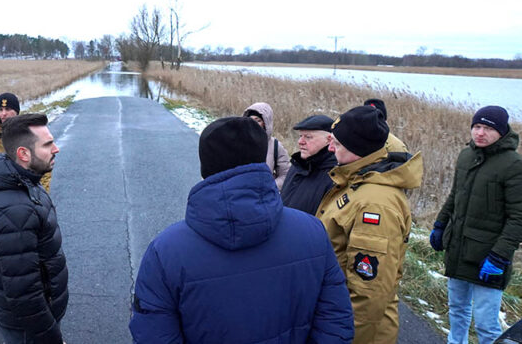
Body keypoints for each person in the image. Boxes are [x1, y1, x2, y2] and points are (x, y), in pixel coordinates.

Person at [129, 117, 354, 343]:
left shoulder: (165, 251)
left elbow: (154, 333)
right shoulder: (313, 232)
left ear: (205, 167)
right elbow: (335, 319)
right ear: (261, 161)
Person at [316, 105, 424, 344]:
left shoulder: (375, 205)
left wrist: (343, 337)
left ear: (357, 150)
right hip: (336, 313)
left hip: (356, 330)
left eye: (337, 143)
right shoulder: (356, 182)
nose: (330, 148)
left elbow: (369, 293)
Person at [429, 106, 522, 344]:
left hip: (489, 257)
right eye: (477, 126)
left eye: (488, 128)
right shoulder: (466, 156)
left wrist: (499, 256)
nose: (480, 133)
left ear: (502, 132)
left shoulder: (516, 166)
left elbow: (521, 218)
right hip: (458, 249)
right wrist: (440, 224)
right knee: (457, 310)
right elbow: (454, 195)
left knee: (486, 324)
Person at [0, 113, 68, 344]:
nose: (56, 149)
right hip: (30, 329)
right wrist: (50, 337)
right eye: (47, 144)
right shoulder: (15, 211)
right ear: (23, 154)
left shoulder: (21, 181)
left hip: (33, 320)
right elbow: (24, 292)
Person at [0, 92, 53, 192]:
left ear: (17, 111)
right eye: (0, 110)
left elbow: (44, 166)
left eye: (8, 109)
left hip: (26, 189)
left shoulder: (28, 130)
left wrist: (42, 193)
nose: (4, 113)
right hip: (1, 189)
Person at [280, 115, 337, 214]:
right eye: (300, 136)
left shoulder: (335, 175)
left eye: (308, 137)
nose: (300, 142)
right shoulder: (297, 165)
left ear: (329, 140)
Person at [242, 102, 291, 190]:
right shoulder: (237, 142)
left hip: (264, 198)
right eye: (251, 120)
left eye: (258, 120)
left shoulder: (275, 146)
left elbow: (286, 175)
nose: (253, 124)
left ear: (265, 123)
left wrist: (270, 187)